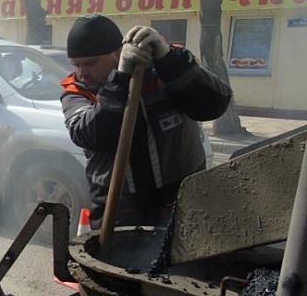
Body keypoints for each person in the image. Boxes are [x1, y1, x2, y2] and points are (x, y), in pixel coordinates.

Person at [60, 14, 233, 229]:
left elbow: (214, 104)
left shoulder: (165, 73)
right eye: (76, 65)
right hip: (118, 206)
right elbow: (90, 135)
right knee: (113, 261)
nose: (82, 73)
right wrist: (119, 80)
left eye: (89, 63)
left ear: (117, 53)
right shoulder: (77, 93)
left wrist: (170, 61)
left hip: (181, 197)